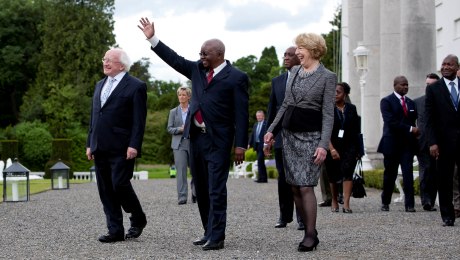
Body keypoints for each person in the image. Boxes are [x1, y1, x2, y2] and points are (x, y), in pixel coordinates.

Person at [138, 17, 249, 250]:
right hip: (197, 138)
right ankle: (208, 231)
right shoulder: (197, 69)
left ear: (218, 54)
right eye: (200, 54)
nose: (201, 57)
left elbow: (241, 114)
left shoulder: (237, 78)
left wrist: (241, 145)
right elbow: (174, 59)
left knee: (216, 188)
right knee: (200, 186)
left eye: (205, 54)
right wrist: (152, 38)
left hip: (219, 140)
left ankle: (217, 237)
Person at [264, 33, 336, 252]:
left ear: (313, 49)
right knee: (294, 186)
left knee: (305, 185)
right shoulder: (295, 71)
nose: (297, 52)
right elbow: (285, 104)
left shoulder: (327, 76)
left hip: (311, 138)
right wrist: (270, 130)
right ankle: (307, 227)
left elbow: (328, 114)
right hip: (289, 137)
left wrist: (323, 145)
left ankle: (310, 234)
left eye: (300, 48)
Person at [86, 48, 148, 243]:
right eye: (104, 59)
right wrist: (90, 143)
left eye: (110, 60)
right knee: (105, 189)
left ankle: (138, 217)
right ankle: (115, 230)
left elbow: (139, 120)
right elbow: (94, 117)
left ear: (121, 65)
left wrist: (134, 145)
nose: (105, 62)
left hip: (123, 147)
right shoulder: (99, 85)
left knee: (119, 184)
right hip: (100, 146)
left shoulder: (136, 86)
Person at [266, 46, 303, 230]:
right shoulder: (277, 81)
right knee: (284, 178)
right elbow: (272, 110)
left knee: (300, 178)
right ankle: (284, 215)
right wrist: (269, 137)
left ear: (299, 58)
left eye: (290, 55)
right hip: (281, 138)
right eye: (285, 55)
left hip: (301, 137)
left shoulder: (307, 79)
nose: (286, 58)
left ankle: (303, 217)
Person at [425, 54, 460, 226]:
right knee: (444, 180)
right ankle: (447, 215)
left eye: (450, 64)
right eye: (443, 64)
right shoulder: (433, 89)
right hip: (443, 142)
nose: (445, 67)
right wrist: (432, 142)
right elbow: (429, 118)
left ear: (457, 67)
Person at [378, 76, 419, 213]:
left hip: (407, 145)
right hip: (391, 144)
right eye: (402, 85)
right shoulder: (386, 101)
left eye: (407, 85)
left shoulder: (411, 103)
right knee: (390, 174)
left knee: (408, 174)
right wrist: (410, 129)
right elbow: (390, 121)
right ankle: (385, 201)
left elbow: (414, 121)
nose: (405, 87)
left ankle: (410, 205)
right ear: (395, 85)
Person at [325, 82, 361, 213]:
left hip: (349, 146)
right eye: (333, 91)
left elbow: (357, 130)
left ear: (345, 94)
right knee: (333, 176)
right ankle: (334, 200)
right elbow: (325, 130)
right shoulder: (327, 108)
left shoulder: (352, 108)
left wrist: (359, 150)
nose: (335, 94)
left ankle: (346, 204)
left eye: (338, 92)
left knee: (348, 174)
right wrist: (331, 149)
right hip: (332, 145)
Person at [413, 73, 440, 211]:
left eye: (432, 84)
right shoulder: (417, 102)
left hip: (440, 143)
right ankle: (426, 200)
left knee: (436, 172)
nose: (429, 87)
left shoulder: (443, 101)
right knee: (426, 169)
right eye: (427, 84)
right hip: (422, 143)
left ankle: (432, 199)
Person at [167, 86, 196, 205]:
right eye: (180, 95)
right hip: (179, 144)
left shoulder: (194, 110)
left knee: (196, 171)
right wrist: (180, 129)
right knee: (181, 171)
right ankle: (182, 197)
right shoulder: (173, 112)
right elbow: (169, 128)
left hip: (193, 143)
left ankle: (196, 193)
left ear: (189, 96)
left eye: (184, 95)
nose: (181, 97)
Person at [248, 110, 268, 183]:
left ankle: (261, 178)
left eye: (260, 116)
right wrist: (249, 144)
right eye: (257, 116)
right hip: (256, 145)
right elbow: (252, 135)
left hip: (263, 145)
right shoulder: (255, 124)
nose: (258, 117)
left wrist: (267, 145)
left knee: (260, 161)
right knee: (261, 162)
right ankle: (264, 178)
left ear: (263, 116)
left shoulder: (266, 124)